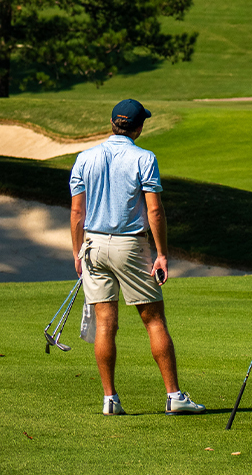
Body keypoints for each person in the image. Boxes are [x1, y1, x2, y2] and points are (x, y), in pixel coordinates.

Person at [68, 99, 205, 416]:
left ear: (113, 123)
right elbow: (155, 210)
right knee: (154, 320)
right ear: (139, 126)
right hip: (130, 245)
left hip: (92, 245)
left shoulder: (84, 158)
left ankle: (109, 399)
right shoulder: (144, 158)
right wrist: (162, 254)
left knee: (105, 323)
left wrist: (77, 252)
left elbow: (77, 212)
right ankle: (174, 396)